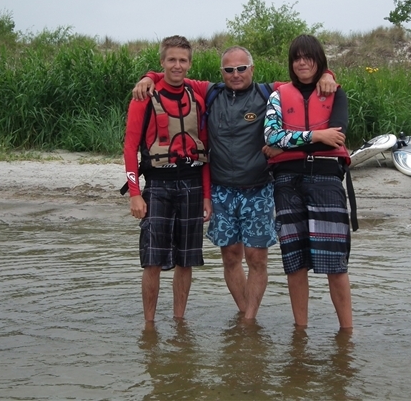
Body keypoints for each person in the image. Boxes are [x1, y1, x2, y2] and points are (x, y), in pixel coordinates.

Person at [133, 46, 337, 320]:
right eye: (229, 70)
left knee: (256, 258)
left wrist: (327, 73)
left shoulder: (269, 92)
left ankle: (249, 319)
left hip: (258, 188)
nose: (236, 74)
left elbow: (304, 79)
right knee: (230, 257)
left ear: (252, 69)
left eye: (241, 68)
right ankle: (246, 318)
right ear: (222, 72)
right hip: (221, 190)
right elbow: (174, 73)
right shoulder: (210, 92)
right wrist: (148, 77)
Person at [263, 34, 354, 329]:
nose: (302, 63)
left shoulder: (336, 93)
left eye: (308, 57)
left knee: (335, 263)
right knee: (295, 262)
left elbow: (336, 137)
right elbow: (271, 136)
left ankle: (347, 333)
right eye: (297, 58)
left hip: (326, 179)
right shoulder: (277, 96)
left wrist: (287, 147)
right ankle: (300, 332)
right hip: (287, 182)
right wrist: (316, 136)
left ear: (319, 61)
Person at [123, 35, 212, 322]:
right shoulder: (144, 97)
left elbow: (205, 152)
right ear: (162, 62)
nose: (177, 65)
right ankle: (149, 325)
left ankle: (179, 321)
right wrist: (135, 194)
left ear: (189, 64)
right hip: (158, 186)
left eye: (183, 60)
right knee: (152, 260)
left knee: (186, 260)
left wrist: (207, 196)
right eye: (171, 59)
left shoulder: (197, 98)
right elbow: (129, 148)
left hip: (192, 184)